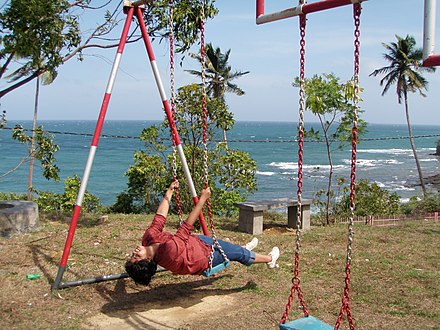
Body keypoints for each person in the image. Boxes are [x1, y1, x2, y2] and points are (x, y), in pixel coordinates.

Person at [125, 180, 280, 286]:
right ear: (149, 259)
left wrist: (169, 191)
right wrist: (202, 199)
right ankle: (270, 259)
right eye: (137, 257)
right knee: (237, 253)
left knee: (230, 248)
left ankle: (242, 250)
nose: (134, 252)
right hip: (204, 258)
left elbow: (159, 218)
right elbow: (186, 226)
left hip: (197, 243)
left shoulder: (148, 239)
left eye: (132, 256)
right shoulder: (168, 252)